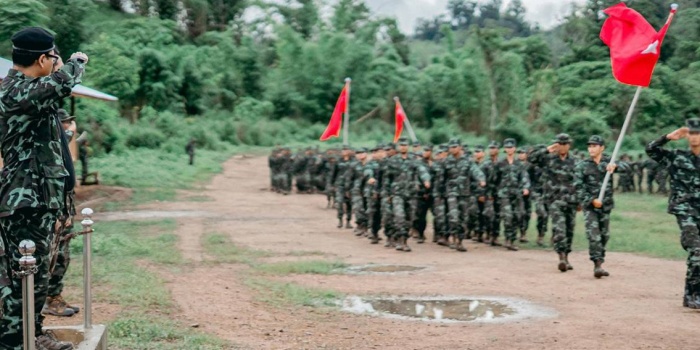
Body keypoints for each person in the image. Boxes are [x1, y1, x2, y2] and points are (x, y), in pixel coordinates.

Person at [0, 27, 87, 350]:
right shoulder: (15, 90)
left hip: (36, 197)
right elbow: (62, 83)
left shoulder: (30, 90)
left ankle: (28, 336)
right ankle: (18, 340)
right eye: (52, 58)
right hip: (24, 199)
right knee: (24, 276)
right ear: (42, 58)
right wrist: (76, 62)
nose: (56, 63)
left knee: (32, 275)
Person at [646, 119, 700, 308]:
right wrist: (667, 137)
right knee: (696, 249)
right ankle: (694, 294)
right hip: (684, 209)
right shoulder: (677, 156)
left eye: (698, 133)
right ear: (687, 136)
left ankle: (689, 294)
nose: (694, 137)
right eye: (691, 133)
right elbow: (651, 150)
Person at [42, 110, 81, 317]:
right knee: (53, 254)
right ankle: (48, 298)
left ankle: (54, 295)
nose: (67, 125)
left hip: (64, 204)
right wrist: (68, 135)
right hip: (53, 205)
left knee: (63, 254)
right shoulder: (51, 138)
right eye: (65, 122)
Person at [575, 135, 627, 278]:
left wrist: (615, 167)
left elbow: (627, 167)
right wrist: (591, 200)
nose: (591, 149)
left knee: (604, 235)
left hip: (606, 205)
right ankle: (597, 265)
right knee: (594, 235)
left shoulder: (609, 161)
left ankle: (600, 260)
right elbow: (578, 187)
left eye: (594, 146)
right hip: (590, 206)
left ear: (602, 148)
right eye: (590, 146)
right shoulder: (582, 165)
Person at [529, 133, 579, 272]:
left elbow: (580, 182)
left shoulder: (575, 161)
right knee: (559, 229)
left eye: (564, 144)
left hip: (571, 201)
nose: (562, 147)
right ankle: (561, 257)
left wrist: (580, 200)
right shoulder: (548, 159)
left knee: (569, 230)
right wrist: (546, 149)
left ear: (569, 145)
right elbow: (531, 158)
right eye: (559, 144)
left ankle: (567, 257)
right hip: (554, 200)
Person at [492, 139, 530, 251]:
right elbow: (494, 179)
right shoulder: (500, 163)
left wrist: (526, 187)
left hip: (516, 194)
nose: (509, 149)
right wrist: (493, 192)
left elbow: (524, 176)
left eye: (511, 147)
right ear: (504, 149)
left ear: (514, 148)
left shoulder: (519, 164)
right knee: (508, 216)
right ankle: (508, 240)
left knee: (517, 216)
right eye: (507, 147)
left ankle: (512, 239)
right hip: (504, 194)